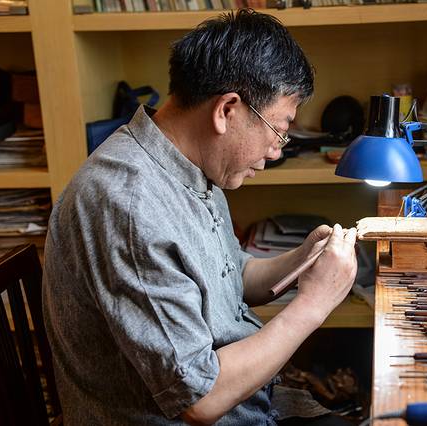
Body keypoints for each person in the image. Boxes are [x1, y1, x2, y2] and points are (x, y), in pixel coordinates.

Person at [42, 8, 358, 426]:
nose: (276, 151)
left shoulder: (188, 163)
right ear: (227, 110)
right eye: (279, 131)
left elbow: (230, 276)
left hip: (251, 402)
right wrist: (315, 304)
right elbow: (201, 398)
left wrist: (302, 260)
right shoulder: (129, 205)